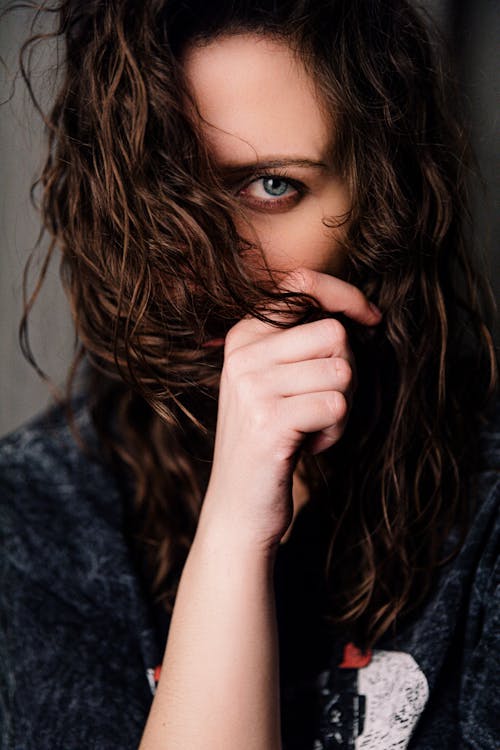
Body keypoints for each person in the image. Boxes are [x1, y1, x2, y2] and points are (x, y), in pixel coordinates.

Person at [0, 0, 498, 748]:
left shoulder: (488, 502)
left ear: (380, 200)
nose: (205, 258)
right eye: (164, 188)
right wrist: (233, 531)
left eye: (272, 186)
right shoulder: (35, 523)